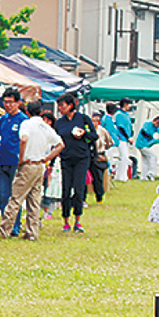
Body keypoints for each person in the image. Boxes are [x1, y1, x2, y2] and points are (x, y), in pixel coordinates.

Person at [0, 100, 63, 241]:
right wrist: (46, 158)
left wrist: (21, 158)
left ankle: (4, 229)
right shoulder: (45, 126)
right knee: (34, 201)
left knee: (16, 198)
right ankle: (32, 232)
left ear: (28, 112)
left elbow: (23, 139)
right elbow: (60, 144)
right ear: (41, 112)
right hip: (39, 165)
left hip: (28, 164)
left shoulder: (27, 124)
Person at [54, 92, 96, 232]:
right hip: (66, 159)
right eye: (59, 106)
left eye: (62, 105)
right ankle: (65, 220)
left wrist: (84, 133)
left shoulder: (83, 119)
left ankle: (77, 220)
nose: (60, 108)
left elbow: (94, 136)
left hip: (81, 158)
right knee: (66, 190)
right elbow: (56, 141)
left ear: (70, 105)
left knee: (78, 190)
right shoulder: (60, 123)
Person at [0, 88, 26, 233]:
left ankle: (15, 225)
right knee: (3, 196)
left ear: (18, 103)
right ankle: (6, 223)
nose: (8, 105)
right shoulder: (3, 119)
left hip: (16, 162)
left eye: (10, 102)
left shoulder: (23, 120)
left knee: (15, 197)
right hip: (3, 161)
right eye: (5, 102)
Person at [90, 111, 113, 203]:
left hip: (100, 156)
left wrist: (104, 148)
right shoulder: (88, 130)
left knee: (99, 177)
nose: (94, 123)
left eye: (96, 121)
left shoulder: (102, 131)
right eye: (93, 121)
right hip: (90, 156)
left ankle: (99, 196)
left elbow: (110, 142)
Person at [134, 116, 159, 180]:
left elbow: (158, 136)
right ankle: (151, 173)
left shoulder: (155, 128)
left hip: (145, 145)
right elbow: (143, 132)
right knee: (153, 156)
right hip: (142, 144)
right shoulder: (148, 123)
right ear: (157, 121)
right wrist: (151, 137)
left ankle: (143, 176)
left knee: (145, 160)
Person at [114, 98, 135, 181]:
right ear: (125, 104)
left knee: (124, 157)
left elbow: (129, 126)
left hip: (126, 139)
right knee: (124, 157)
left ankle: (121, 175)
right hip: (121, 138)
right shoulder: (119, 114)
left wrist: (131, 136)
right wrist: (128, 137)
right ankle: (121, 176)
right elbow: (121, 127)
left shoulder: (127, 114)